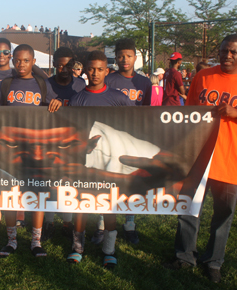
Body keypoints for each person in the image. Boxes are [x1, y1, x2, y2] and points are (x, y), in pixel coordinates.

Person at [166, 34, 237, 283]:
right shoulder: (203, 77)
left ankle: (213, 261)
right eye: (224, 50)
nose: (228, 55)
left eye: (234, 52)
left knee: (222, 215)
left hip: (230, 159)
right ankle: (185, 256)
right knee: (187, 210)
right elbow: (190, 112)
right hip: (198, 157)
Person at [0, 44, 62, 258]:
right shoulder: (6, 83)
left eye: (26, 60)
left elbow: (55, 105)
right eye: (17, 60)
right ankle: (11, 241)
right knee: (10, 195)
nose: (21, 64)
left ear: (33, 62)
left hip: (37, 149)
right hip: (11, 149)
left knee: (37, 194)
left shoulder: (42, 84)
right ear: (12, 61)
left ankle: (36, 241)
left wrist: (57, 101)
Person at [67, 50, 135, 268]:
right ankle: (77, 248)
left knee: (109, 207)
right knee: (81, 206)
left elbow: (135, 124)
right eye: (91, 69)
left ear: (107, 71)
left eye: (99, 69)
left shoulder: (119, 98)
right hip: (82, 161)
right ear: (85, 70)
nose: (95, 73)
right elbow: (71, 131)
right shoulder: (77, 99)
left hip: (111, 162)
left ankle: (109, 250)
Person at [102, 38, 152, 244]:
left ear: (135, 57)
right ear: (116, 57)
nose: (124, 60)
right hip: (111, 137)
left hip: (133, 137)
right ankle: (102, 225)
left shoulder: (144, 82)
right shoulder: (109, 79)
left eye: (128, 56)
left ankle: (129, 223)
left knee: (132, 180)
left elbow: (146, 112)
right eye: (120, 56)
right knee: (108, 179)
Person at [42, 47, 86, 240]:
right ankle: (48, 222)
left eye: (68, 65)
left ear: (73, 65)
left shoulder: (80, 84)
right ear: (53, 65)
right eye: (60, 65)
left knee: (70, 183)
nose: (64, 69)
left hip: (73, 141)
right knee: (51, 182)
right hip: (50, 139)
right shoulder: (46, 84)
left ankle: (68, 222)